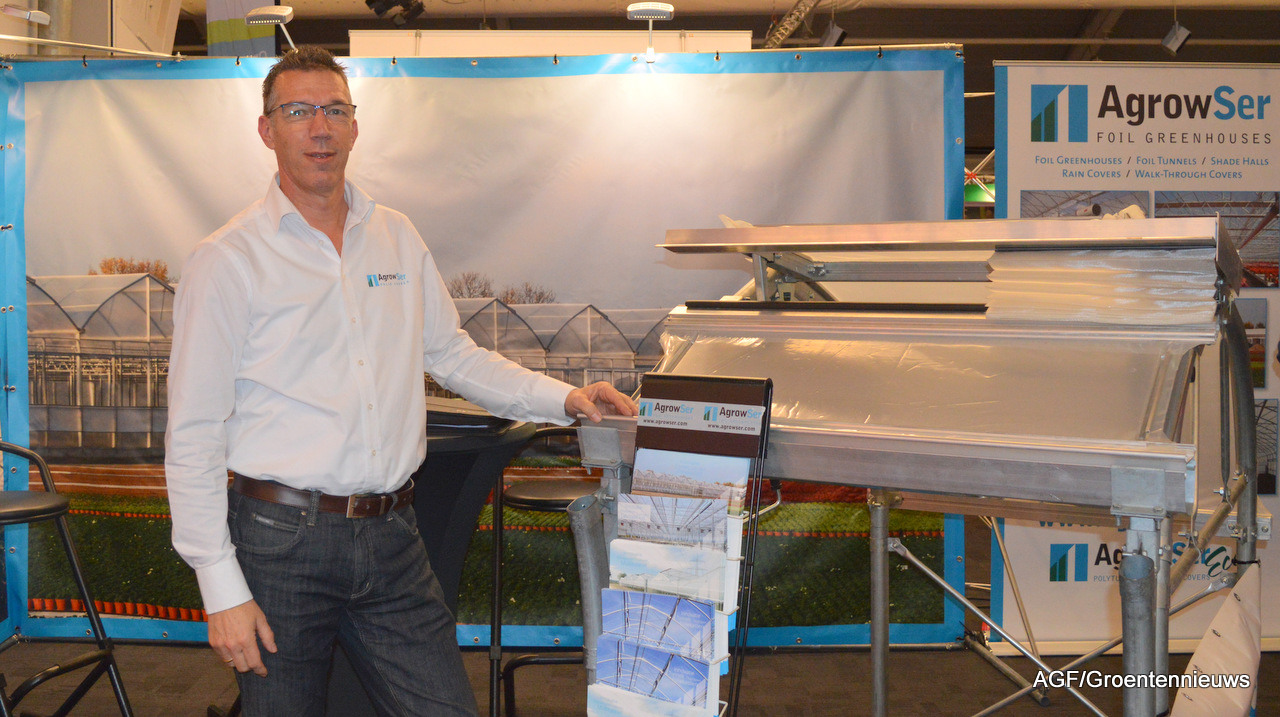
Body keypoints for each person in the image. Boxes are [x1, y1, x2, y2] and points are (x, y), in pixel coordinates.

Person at [165, 45, 637, 716]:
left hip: (392, 536)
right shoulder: (227, 259)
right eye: (298, 112)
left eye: (335, 110)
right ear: (267, 130)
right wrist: (220, 586)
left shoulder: (395, 236)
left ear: (355, 126)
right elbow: (193, 431)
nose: (319, 128)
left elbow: (454, 356)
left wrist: (567, 398)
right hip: (279, 541)